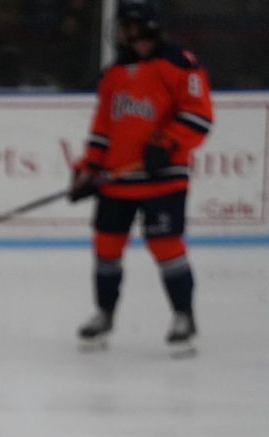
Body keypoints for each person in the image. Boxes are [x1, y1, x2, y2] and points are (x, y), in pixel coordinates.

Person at [69, 0, 213, 353]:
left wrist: (165, 143)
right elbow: (103, 128)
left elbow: (199, 116)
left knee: (166, 247)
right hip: (117, 181)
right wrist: (88, 168)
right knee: (105, 247)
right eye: (125, 29)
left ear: (150, 27)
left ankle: (183, 316)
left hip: (162, 178)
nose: (130, 36)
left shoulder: (181, 64)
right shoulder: (114, 74)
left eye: (135, 28)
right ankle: (104, 313)